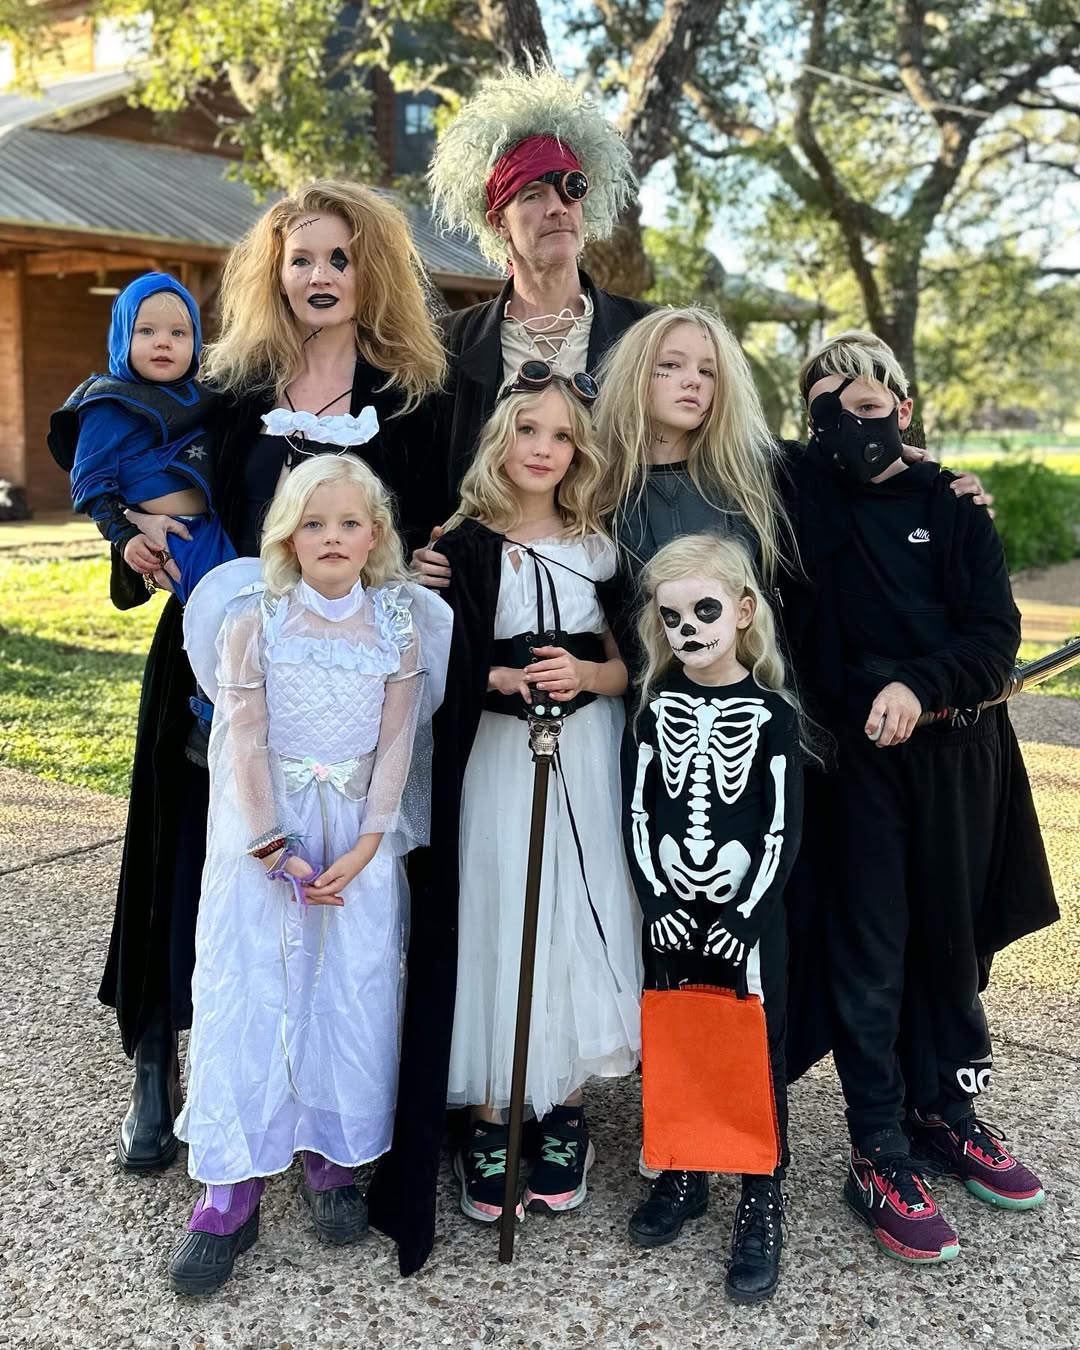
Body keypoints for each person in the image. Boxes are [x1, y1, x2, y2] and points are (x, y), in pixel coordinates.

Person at [96, 181, 445, 1176]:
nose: (320, 275)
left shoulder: (410, 400)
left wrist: (434, 559)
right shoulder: (231, 391)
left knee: (330, 882)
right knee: (185, 860)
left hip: (346, 680)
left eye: (340, 257)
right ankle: (159, 1063)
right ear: (275, 272)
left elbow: (437, 517)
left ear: (371, 269)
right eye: (302, 259)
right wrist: (132, 537)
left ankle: (328, 1095)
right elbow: (151, 483)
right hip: (225, 665)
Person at [783, 330, 1057, 1265]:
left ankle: (948, 1113)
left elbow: (994, 638)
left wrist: (921, 685)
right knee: (872, 956)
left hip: (962, 758)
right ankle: (879, 1148)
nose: (850, 426)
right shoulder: (797, 493)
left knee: (953, 949)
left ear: (902, 407)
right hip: (859, 770)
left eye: (867, 407)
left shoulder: (953, 505)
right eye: (826, 412)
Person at [368, 368, 642, 1267]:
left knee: (570, 908)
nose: (543, 448)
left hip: (581, 753)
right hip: (492, 755)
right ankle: (493, 1110)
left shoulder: (600, 547)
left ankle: (561, 1106)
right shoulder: (460, 544)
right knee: (497, 906)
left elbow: (629, 664)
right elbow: (427, 654)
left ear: (579, 451)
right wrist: (492, 674)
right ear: (501, 438)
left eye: (561, 436)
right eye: (528, 429)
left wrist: (588, 676)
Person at [167, 453, 451, 1296]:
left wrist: (367, 844)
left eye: (349, 523)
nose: (332, 537)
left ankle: (329, 1149)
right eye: (314, 523)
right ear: (288, 535)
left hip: (355, 832)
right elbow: (245, 739)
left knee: (344, 982)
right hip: (265, 829)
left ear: (375, 535)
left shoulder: (397, 626)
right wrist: (271, 846)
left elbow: (396, 744)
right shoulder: (256, 621)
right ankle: (232, 1179)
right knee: (253, 982)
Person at [624, 533, 803, 1304]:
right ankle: (685, 1170)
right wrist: (656, 901)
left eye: (703, 611)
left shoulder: (772, 715)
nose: (687, 630)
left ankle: (761, 1194)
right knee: (678, 1040)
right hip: (671, 911)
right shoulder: (653, 709)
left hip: (746, 918)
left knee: (755, 1048)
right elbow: (636, 815)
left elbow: (781, 831)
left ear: (743, 611)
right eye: (671, 618)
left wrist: (748, 916)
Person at [414, 61, 650, 571]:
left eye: (570, 189)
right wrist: (419, 551)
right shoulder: (449, 343)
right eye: (533, 194)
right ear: (498, 221)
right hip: (486, 587)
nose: (558, 207)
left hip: (623, 580)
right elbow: (418, 472)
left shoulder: (642, 333)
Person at [49, 272, 235, 604]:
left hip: (215, 527)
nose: (163, 342)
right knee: (225, 610)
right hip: (171, 536)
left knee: (255, 600)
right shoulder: (109, 403)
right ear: (122, 336)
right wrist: (126, 535)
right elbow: (90, 482)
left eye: (178, 332)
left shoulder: (206, 397)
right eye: (146, 331)